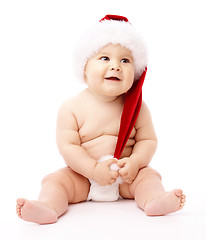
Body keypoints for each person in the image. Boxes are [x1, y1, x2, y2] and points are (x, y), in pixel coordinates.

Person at [16, 15, 185, 224]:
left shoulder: (138, 108)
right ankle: (48, 206)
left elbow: (147, 140)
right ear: (84, 68)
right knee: (56, 181)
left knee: (149, 177)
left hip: (126, 178)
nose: (116, 66)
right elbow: (68, 147)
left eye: (125, 60)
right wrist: (93, 170)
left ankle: (154, 200)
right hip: (83, 177)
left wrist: (135, 162)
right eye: (105, 58)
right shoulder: (72, 108)